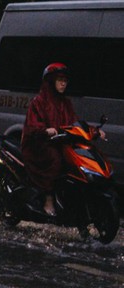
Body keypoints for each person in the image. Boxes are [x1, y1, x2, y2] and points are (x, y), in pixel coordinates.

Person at [21, 63, 104, 216]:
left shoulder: (66, 103)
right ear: (50, 81)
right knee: (55, 159)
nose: (63, 83)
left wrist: (94, 131)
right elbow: (32, 125)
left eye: (65, 80)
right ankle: (48, 198)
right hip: (39, 144)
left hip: (60, 142)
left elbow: (75, 123)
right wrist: (45, 130)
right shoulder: (38, 102)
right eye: (59, 80)